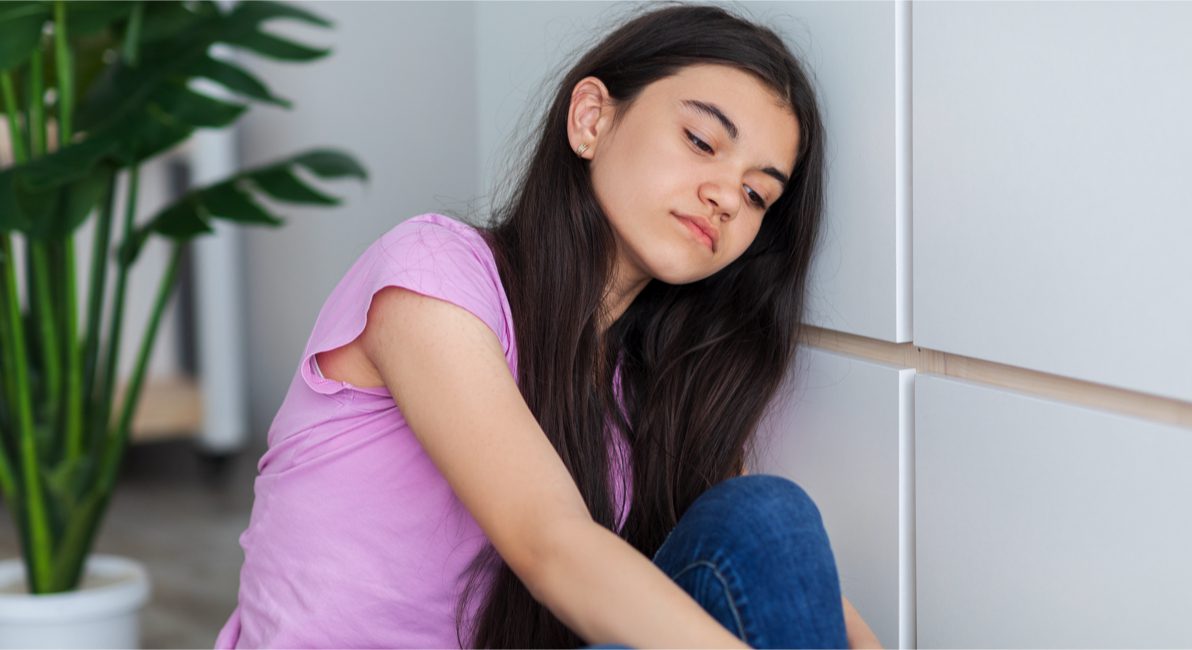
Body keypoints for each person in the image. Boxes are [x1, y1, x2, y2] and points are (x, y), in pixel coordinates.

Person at [215, 3, 881, 648]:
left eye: (757, 193)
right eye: (702, 141)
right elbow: (550, 544)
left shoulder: (656, 386)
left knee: (767, 518)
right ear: (591, 118)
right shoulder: (432, 276)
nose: (726, 198)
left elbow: (788, 581)